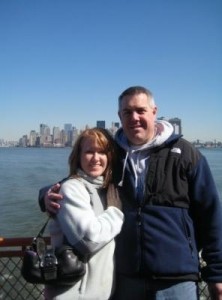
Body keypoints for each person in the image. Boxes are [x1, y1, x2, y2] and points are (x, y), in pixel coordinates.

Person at [40, 86, 222, 300]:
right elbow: (78, 181)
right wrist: (45, 195)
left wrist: (217, 273)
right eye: (127, 112)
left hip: (176, 279)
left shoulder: (186, 154)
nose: (134, 117)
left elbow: (211, 215)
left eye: (140, 110)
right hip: (124, 279)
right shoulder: (112, 155)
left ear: (154, 112)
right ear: (120, 116)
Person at [41, 128, 124, 300]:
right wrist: (115, 212)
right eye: (89, 152)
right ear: (78, 156)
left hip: (101, 293)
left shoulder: (106, 190)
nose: (96, 158)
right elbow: (88, 240)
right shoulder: (71, 188)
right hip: (72, 295)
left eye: (102, 152)